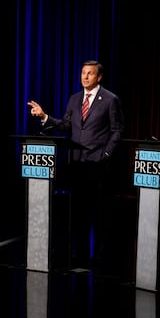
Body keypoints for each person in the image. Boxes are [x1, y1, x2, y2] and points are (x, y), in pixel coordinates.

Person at [27, 60, 125, 270]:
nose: (85, 77)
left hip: (98, 164)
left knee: (99, 214)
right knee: (78, 213)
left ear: (98, 77)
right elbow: (65, 125)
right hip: (76, 164)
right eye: (83, 73)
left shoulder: (110, 100)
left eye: (90, 74)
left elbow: (117, 130)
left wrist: (106, 153)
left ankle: (100, 259)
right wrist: (45, 117)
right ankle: (79, 256)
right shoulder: (74, 99)